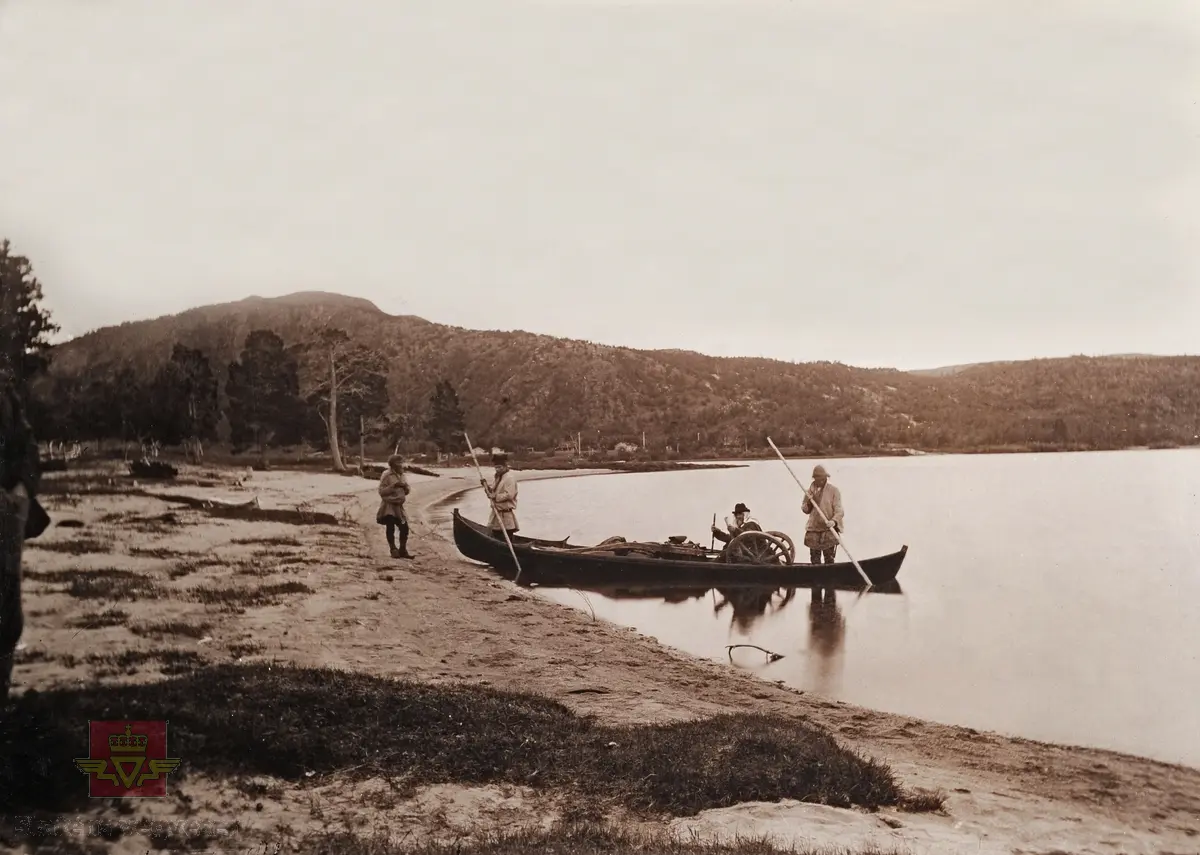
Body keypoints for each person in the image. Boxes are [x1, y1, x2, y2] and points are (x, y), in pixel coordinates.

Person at [1, 379, 44, 703]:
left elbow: (27, 447)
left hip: (5, 514)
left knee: (7, 614)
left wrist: (23, 490)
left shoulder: (3, 388)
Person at [801, 464, 844, 564]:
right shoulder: (809, 492)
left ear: (825, 478)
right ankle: (816, 577)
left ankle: (830, 577)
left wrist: (834, 521)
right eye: (817, 478)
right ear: (814, 478)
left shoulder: (834, 491)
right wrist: (809, 502)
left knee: (829, 558)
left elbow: (839, 510)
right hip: (814, 529)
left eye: (821, 478)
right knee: (815, 559)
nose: (819, 480)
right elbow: (805, 509)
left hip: (828, 529)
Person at [376, 454, 412, 559]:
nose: (401, 465)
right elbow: (381, 491)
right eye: (399, 463)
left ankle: (402, 550)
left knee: (404, 528)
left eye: (402, 462)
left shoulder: (402, 475)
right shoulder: (386, 474)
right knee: (390, 526)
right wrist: (394, 486)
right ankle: (393, 549)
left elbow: (407, 490)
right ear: (393, 464)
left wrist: (405, 488)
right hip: (388, 506)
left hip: (399, 507)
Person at [482, 452, 518, 540]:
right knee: (496, 536)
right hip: (496, 514)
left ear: (505, 467)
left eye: (500, 467)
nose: (497, 469)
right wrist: (486, 486)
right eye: (496, 467)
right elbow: (491, 493)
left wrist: (495, 496)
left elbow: (510, 495)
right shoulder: (498, 478)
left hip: (506, 515)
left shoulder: (510, 478)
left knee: (506, 538)